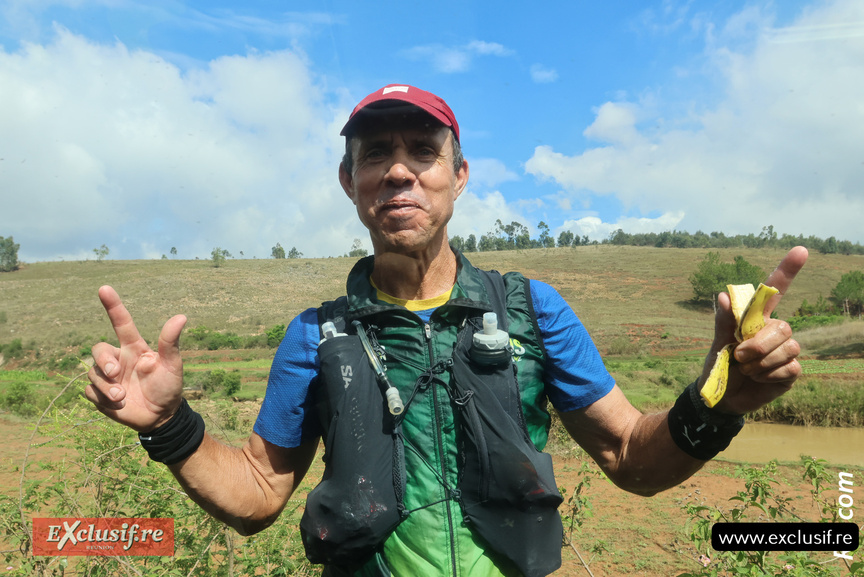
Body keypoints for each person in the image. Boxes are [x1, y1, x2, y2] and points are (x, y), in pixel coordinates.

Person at [85, 84, 809, 577]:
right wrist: (171, 424)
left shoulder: (533, 310)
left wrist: (720, 402)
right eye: (375, 153)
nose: (398, 170)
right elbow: (256, 491)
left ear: (458, 175)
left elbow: (630, 454)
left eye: (421, 151)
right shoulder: (316, 337)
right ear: (351, 182)